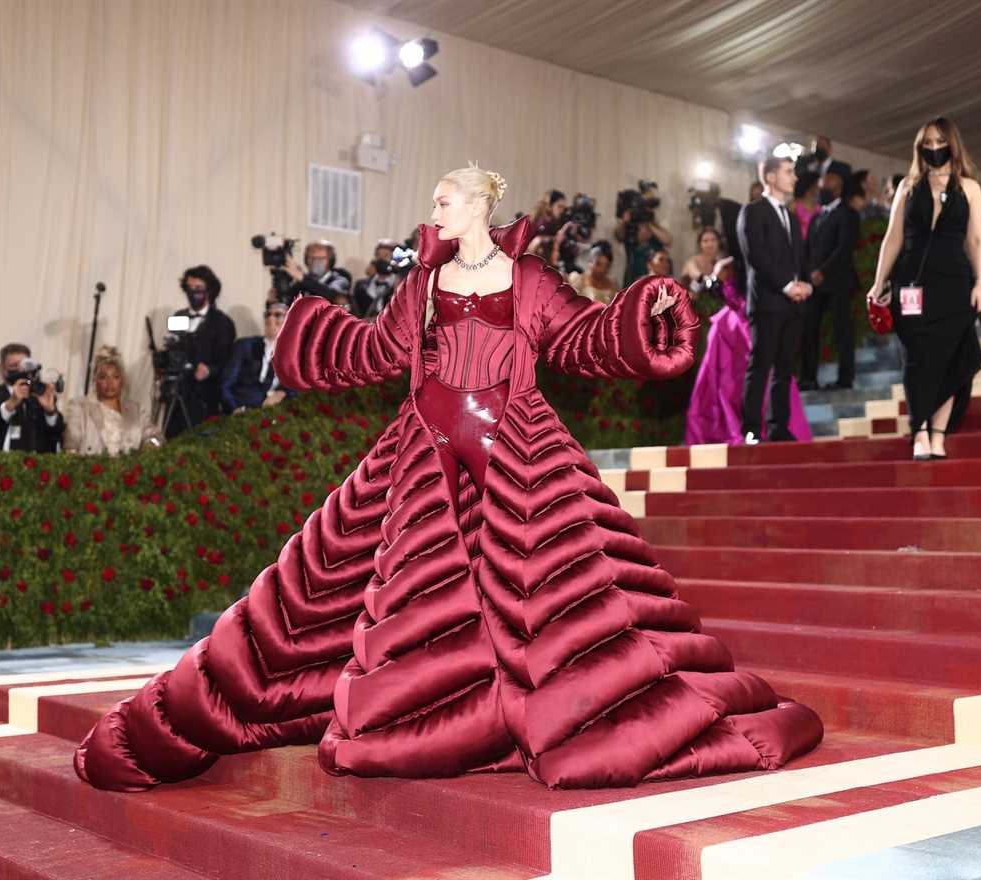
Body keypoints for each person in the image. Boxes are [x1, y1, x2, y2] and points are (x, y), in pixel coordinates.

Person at [76, 162, 822, 793]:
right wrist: (314, 338)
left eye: (445, 198)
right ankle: (383, 716)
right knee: (332, 585)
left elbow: (579, 336)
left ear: (479, 206)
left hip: (519, 444)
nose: (434, 208)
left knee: (558, 596)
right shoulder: (424, 281)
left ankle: (538, 719)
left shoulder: (529, 277)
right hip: (423, 448)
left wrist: (636, 319)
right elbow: (378, 350)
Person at [866, 116, 981, 461]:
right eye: (927, 143)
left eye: (939, 142)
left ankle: (937, 434)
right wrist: (878, 285)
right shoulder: (908, 186)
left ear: (952, 143)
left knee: (951, 360)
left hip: (954, 284)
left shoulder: (970, 188)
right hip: (911, 284)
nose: (934, 148)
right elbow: (892, 239)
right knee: (917, 360)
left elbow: (976, 240)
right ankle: (919, 429)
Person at [685, 256, 812, 445]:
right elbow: (717, 290)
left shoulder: (766, 259)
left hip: (755, 324)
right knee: (733, 380)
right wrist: (713, 278)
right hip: (736, 327)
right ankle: (749, 427)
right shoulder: (729, 264)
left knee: (768, 373)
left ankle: (772, 426)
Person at [738, 155, 812, 444]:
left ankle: (778, 426)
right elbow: (756, 254)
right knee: (761, 365)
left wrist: (805, 285)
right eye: (788, 172)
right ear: (769, 177)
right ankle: (752, 429)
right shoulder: (752, 211)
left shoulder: (791, 217)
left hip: (792, 303)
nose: (794, 178)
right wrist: (786, 285)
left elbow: (798, 259)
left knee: (784, 369)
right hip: (767, 301)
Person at [800, 169, 860, 391]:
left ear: (838, 190)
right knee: (809, 329)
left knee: (842, 330)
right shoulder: (817, 216)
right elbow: (807, 250)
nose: (820, 192)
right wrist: (809, 272)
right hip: (814, 284)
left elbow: (844, 248)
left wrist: (822, 271)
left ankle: (845, 378)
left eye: (825, 188)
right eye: (819, 188)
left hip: (838, 281)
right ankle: (808, 378)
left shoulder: (848, 214)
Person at [166, 265, 236, 438]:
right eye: (189, 288)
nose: (193, 292)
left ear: (209, 290)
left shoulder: (222, 322)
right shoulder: (178, 317)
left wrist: (210, 370)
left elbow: (229, 362)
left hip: (206, 398)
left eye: (198, 288)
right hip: (178, 396)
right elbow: (171, 347)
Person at [63, 346, 160, 455]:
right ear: (95, 380)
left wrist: (151, 445)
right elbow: (71, 447)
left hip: (130, 470)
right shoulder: (79, 407)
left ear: (122, 380)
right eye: (103, 377)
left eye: (115, 377)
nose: (110, 383)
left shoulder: (136, 410)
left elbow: (155, 437)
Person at [0, 343, 64, 452]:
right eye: (13, 366)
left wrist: (50, 411)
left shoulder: (41, 393)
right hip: (0, 462)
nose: (20, 371)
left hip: (38, 464)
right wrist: (9, 405)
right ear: (2, 369)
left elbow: (58, 433)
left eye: (24, 366)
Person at [221, 301, 295, 413]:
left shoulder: (295, 355)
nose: (270, 319)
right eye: (268, 315)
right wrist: (234, 408)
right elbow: (226, 384)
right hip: (243, 410)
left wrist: (283, 392)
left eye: (278, 315)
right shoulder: (245, 346)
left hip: (277, 413)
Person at [352, 240, 402, 318]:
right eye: (378, 256)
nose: (381, 259)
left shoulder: (400, 286)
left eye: (386, 256)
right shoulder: (361, 285)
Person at [679, 228, 726, 298]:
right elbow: (697, 276)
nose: (710, 244)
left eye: (713, 240)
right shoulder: (692, 261)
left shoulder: (722, 261)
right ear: (700, 244)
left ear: (719, 242)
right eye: (705, 241)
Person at [791, 171, 821, 240]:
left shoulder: (820, 207)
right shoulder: (794, 205)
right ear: (811, 186)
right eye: (817, 184)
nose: (819, 187)